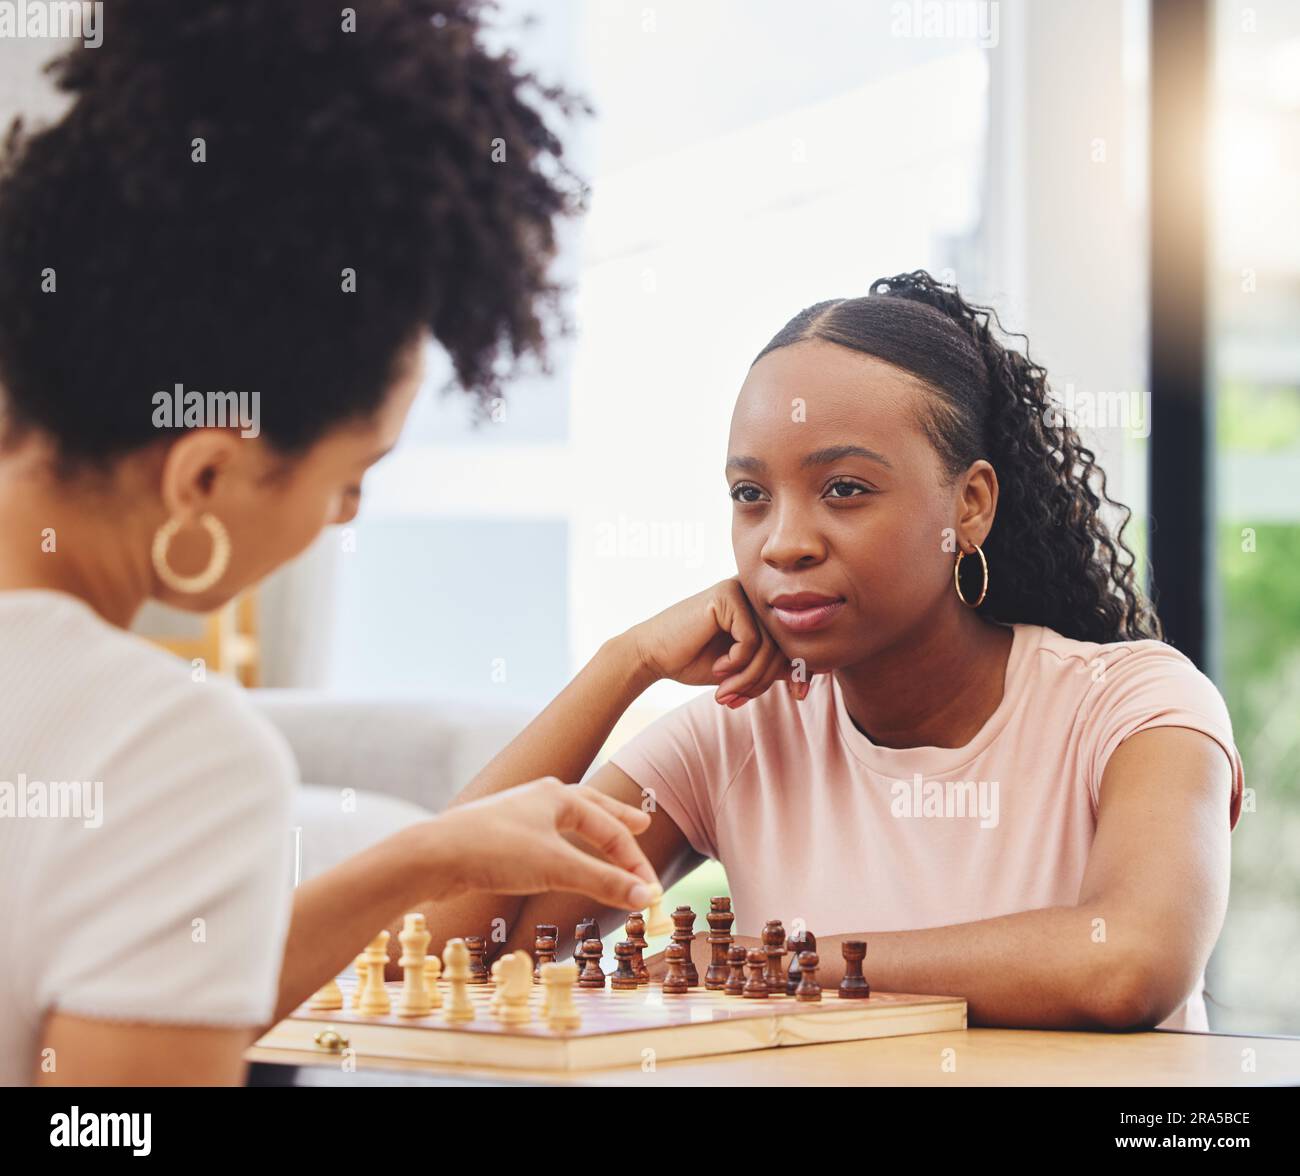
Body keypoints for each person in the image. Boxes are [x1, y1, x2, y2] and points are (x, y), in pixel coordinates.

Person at [0, 0, 657, 1086]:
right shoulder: (163, 752)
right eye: (351, 480)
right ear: (205, 474)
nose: (342, 521)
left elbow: (126, 981)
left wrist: (429, 855)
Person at [417, 272, 1245, 1033]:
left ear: (971, 505)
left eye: (844, 489)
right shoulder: (737, 735)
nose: (784, 543)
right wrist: (622, 664)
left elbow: (1129, 964)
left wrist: (769, 965)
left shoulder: (1137, 706)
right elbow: (443, 953)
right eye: (751, 496)